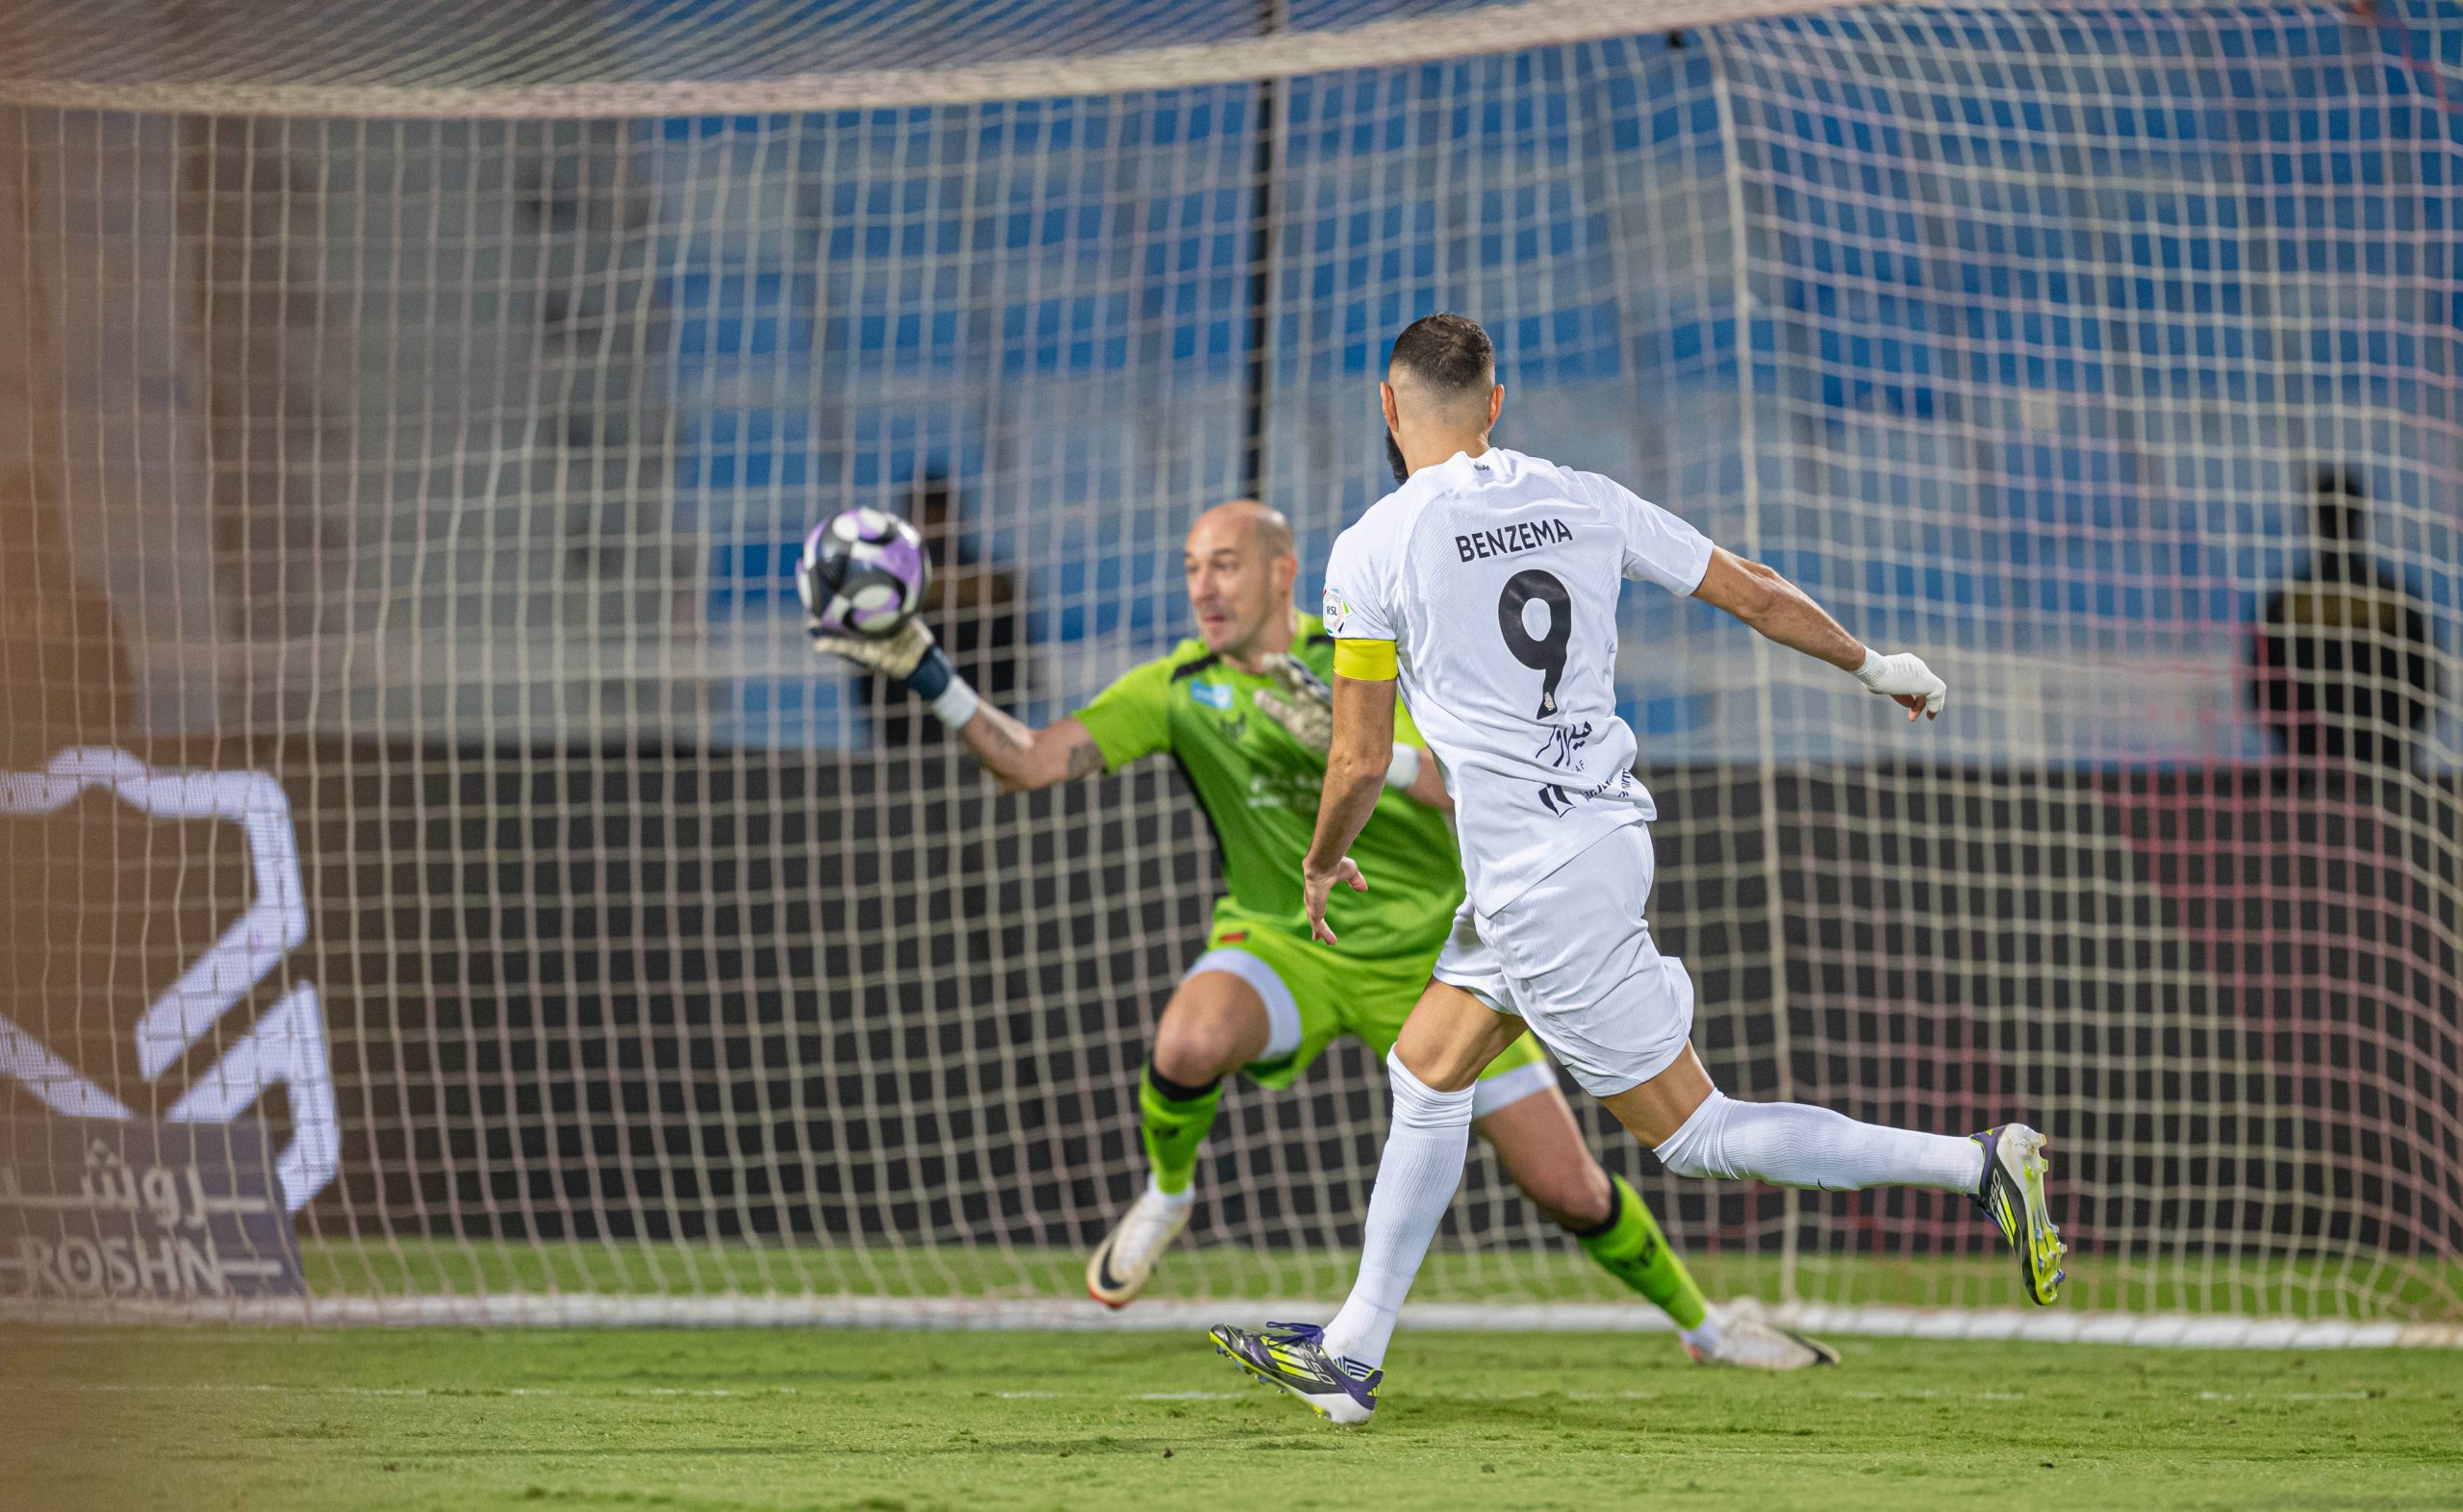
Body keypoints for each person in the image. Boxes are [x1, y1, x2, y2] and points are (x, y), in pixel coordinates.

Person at [1206, 314, 2065, 1425]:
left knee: (1695, 1134)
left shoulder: (1372, 546)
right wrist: (1874, 664)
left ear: (1387, 404)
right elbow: (1751, 588)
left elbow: (1359, 756)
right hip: (1599, 840)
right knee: (1426, 1068)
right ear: (1496, 404)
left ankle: (1978, 1164)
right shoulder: (1584, 495)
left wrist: (1321, 863)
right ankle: (1354, 1352)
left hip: (1536, 883)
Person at [812, 496, 1838, 1370]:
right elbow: (1033, 761)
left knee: (1569, 1188)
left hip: (1438, 960)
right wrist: (921, 665)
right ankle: (1169, 1195)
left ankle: (1706, 1329)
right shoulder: (1175, 691)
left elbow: (1469, 784)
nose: (1202, 588)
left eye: (1223, 565)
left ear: (1280, 571)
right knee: (1186, 1041)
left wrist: (1367, 749)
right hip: (1282, 945)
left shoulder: (1370, 654)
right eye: (1188, 570)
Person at [2248, 469, 2438, 774]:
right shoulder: (2390, 599)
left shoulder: (2288, 602)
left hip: (2314, 769)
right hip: (2379, 769)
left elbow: (2262, 689)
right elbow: (2424, 684)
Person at [857, 469, 1028, 747]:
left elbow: (1014, 664)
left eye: (937, 515)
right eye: (928, 516)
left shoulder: (991, 582)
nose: (933, 524)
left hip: (972, 728)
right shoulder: (887, 585)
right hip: (912, 732)